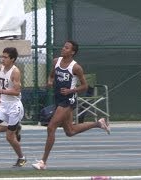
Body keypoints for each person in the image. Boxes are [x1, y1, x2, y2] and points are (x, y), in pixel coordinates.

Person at [32, 40, 110, 170]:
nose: (63, 49)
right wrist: (50, 82)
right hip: (58, 99)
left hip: (69, 100)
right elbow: (51, 76)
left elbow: (85, 86)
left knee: (51, 127)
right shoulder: (56, 61)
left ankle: (43, 162)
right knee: (70, 131)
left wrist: (71, 90)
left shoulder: (76, 67)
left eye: (67, 48)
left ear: (72, 52)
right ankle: (98, 123)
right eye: (63, 46)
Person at [0, 47, 27, 167]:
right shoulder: (0, 68)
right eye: (2, 56)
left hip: (14, 107)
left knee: (9, 137)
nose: (2, 59)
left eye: (5, 57)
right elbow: (1, 85)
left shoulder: (15, 72)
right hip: (4, 105)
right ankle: (14, 128)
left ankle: (21, 158)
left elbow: (17, 92)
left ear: (12, 59)